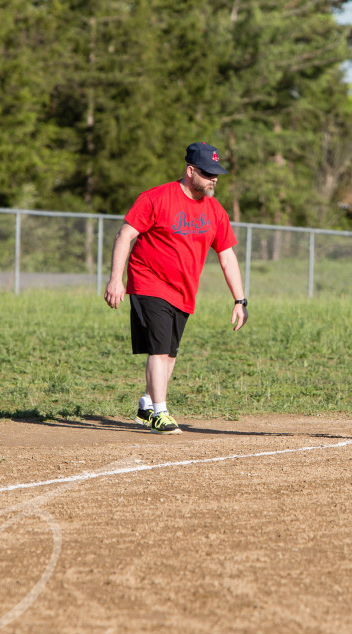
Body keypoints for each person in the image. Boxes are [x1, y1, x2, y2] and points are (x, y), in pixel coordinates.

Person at [104, 142, 248, 434]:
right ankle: (160, 411)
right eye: (208, 173)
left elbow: (226, 255)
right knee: (158, 349)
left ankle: (147, 404)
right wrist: (115, 279)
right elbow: (125, 235)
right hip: (148, 282)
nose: (214, 179)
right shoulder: (156, 198)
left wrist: (240, 299)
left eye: (216, 174)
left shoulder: (215, 211)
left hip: (183, 291)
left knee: (169, 352)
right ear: (190, 171)